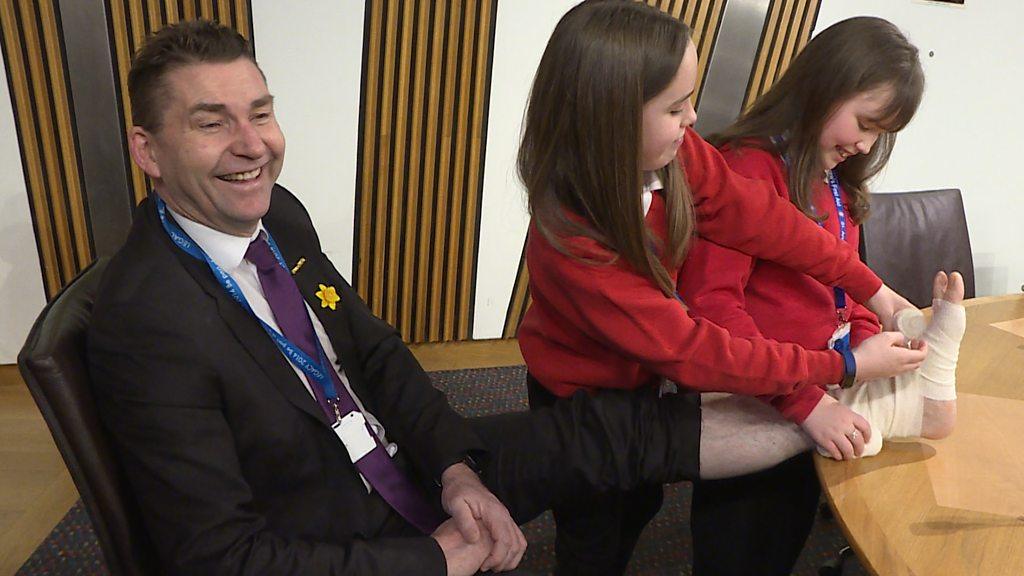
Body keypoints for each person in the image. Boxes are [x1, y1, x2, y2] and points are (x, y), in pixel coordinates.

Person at [85, 18, 840, 576]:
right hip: (334, 527)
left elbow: (371, 349)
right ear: (147, 149)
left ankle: (855, 420)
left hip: (397, 456)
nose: (253, 145)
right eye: (211, 123)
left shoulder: (277, 215)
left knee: (612, 429)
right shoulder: (144, 325)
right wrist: (434, 559)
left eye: (260, 113)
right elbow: (219, 557)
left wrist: (454, 468)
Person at [515, 3, 926, 575]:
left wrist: (870, 287)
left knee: (641, 499)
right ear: (610, 115)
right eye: (676, 106)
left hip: (644, 377)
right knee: (596, 532)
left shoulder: (677, 153)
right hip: (583, 394)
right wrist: (843, 370)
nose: (694, 117)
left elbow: (760, 219)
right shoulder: (575, 243)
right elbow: (691, 350)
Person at [676, 16, 963, 574]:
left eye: (879, 133)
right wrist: (805, 400)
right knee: (740, 547)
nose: (863, 144)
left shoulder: (834, 180)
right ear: (823, 85)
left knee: (785, 535)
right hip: (757, 402)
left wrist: (864, 340)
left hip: (817, 395)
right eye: (863, 122)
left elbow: (842, 279)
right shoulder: (749, 171)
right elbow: (714, 309)